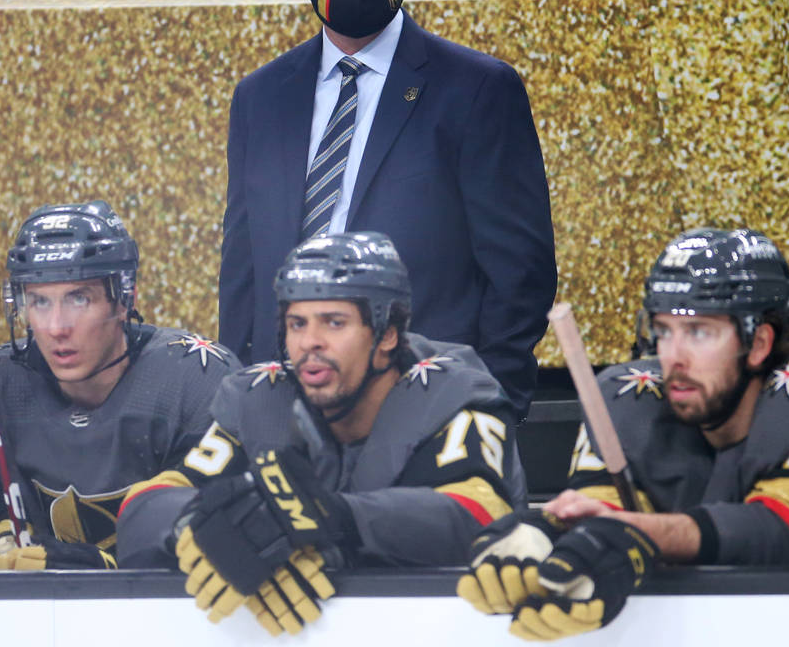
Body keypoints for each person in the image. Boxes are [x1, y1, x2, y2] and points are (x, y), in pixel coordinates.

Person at [218, 0, 556, 419]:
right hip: (284, 412)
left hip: (426, 411)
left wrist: (489, 411)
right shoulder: (260, 98)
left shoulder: (476, 90)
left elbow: (520, 277)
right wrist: (238, 404)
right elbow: (242, 270)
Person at [457, 228, 789, 640]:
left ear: (758, 342)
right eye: (664, 330)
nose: (672, 357)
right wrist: (551, 530)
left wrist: (641, 533)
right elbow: (603, 508)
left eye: (699, 331)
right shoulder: (626, 398)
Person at [119, 231, 526, 634]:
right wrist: (200, 526)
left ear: (388, 333)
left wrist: (330, 520)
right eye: (297, 323)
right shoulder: (261, 396)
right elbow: (143, 507)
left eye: (334, 322)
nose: (309, 343)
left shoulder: (451, 389)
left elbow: (481, 516)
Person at [0, 201, 236, 571]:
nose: (57, 326)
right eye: (40, 301)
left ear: (125, 298)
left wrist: (103, 569)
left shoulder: (197, 380)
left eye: (79, 298)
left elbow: (208, 543)